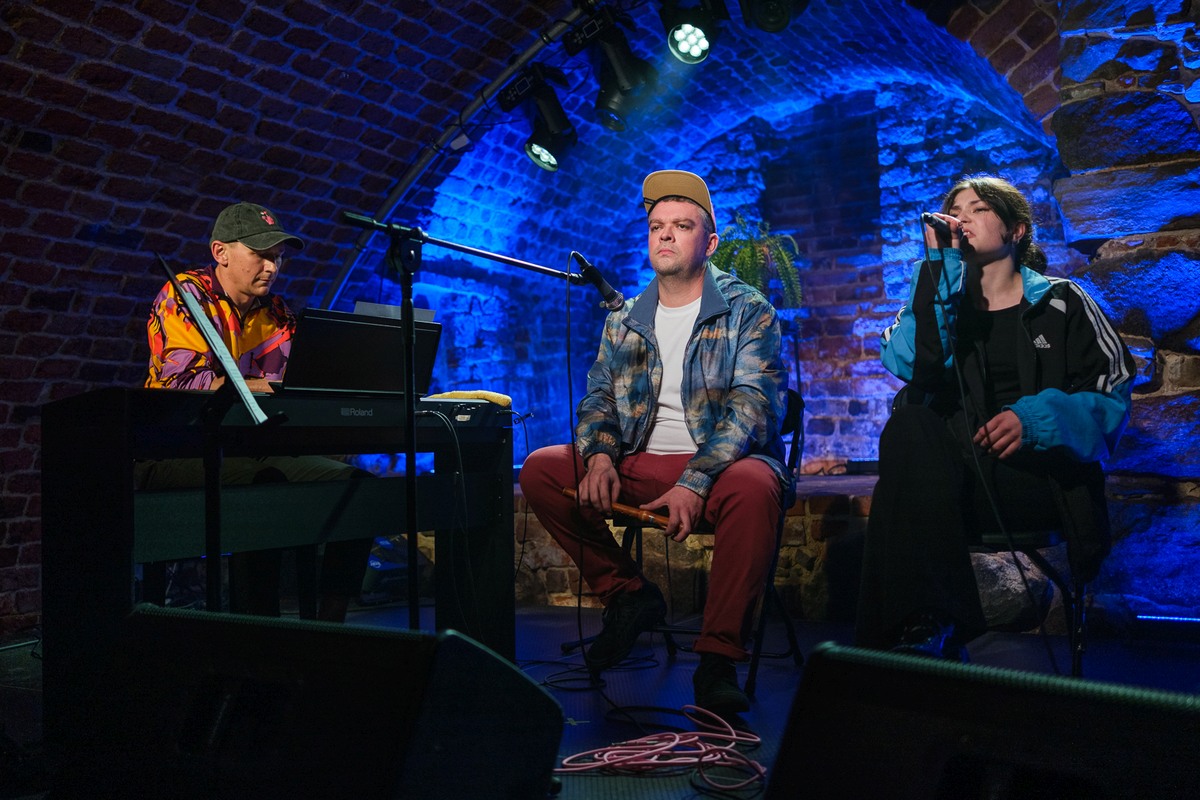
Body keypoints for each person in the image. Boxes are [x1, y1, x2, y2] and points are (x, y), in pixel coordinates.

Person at [519, 170, 791, 715]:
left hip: (720, 466)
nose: (665, 234)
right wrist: (600, 457)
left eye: (682, 226)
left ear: (709, 243)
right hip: (640, 463)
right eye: (656, 226)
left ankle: (717, 660)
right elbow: (599, 398)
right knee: (542, 469)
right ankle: (629, 595)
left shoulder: (748, 309)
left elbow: (753, 408)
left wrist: (695, 480)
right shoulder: (624, 319)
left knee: (756, 484)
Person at [855, 175, 1135, 659]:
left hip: (1034, 480)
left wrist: (1035, 420)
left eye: (978, 208)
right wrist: (939, 268)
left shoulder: (1063, 301)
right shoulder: (934, 297)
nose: (962, 218)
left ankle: (892, 654)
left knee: (897, 509)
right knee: (908, 426)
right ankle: (922, 632)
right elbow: (911, 365)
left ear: (1016, 230)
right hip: (950, 486)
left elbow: (1112, 395)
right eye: (955, 211)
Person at [137, 201, 373, 622]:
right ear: (220, 252)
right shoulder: (184, 295)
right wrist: (267, 387)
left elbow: (296, 387)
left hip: (252, 450)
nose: (271, 267)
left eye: (277, 257)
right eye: (260, 254)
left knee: (358, 485)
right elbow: (183, 386)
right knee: (268, 481)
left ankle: (331, 624)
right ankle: (259, 625)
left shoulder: (278, 313)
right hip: (177, 451)